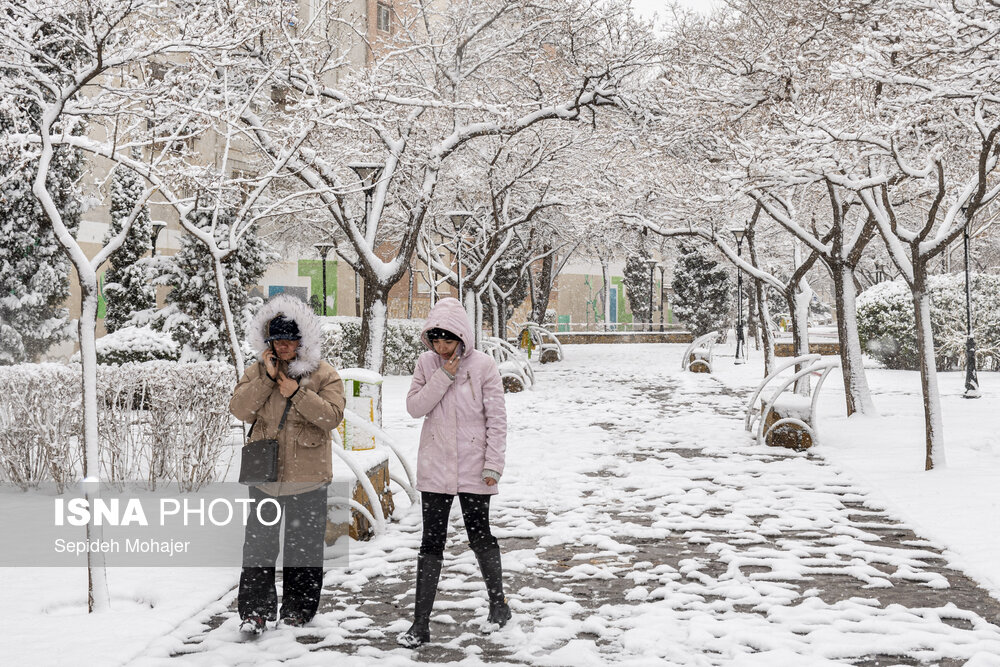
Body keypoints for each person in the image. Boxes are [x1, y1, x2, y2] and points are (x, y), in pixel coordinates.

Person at [397, 297, 510, 648]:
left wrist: (493, 463)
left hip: (476, 468)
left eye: (448, 340)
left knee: (480, 536)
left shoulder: (484, 366)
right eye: (436, 340)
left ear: (462, 337)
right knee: (431, 542)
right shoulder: (427, 364)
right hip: (435, 467)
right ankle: (420, 624)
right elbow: (415, 407)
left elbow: (497, 419)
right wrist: (443, 376)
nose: (442, 348)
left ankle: (498, 604)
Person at [229, 294, 345, 634]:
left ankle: (299, 610)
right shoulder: (256, 372)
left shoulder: (324, 375)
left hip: (308, 478)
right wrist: (267, 379)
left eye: (290, 339)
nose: (283, 346)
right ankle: (255, 612)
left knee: (304, 550)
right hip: (265, 477)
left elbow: (332, 417)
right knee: (258, 548)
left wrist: (297, 392)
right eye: (276, 340)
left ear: (302, 340)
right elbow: (240, 410)